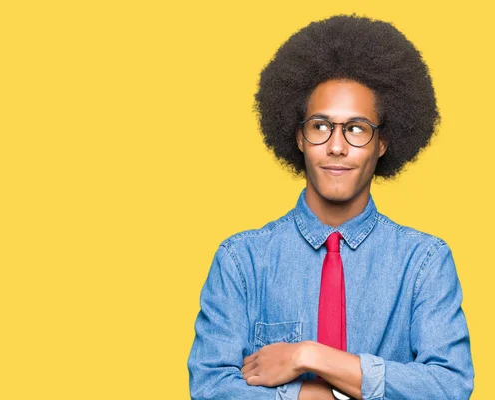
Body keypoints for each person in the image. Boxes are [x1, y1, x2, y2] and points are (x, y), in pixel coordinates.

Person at [187, 14, 474, 400]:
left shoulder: (424, 262)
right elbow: (210, 388)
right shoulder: (242, 261)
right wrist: (311, 396)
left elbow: (450, 386)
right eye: (321, 126)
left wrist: (311, 356)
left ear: (382, 143)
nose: (336, 146)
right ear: (300, 138)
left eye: (356, 128)